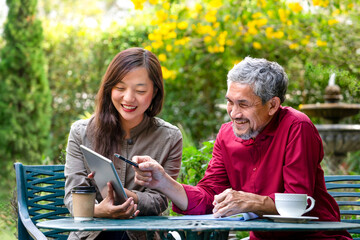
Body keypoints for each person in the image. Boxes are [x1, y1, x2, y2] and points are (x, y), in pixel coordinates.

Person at [133, 57, 352, 239]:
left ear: (273, 105)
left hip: (317, 237)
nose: (233, 113)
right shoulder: (226, 134)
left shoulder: (297, 127)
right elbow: (210, 196)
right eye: (230, 102)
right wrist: (164, 182)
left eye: (243, 104)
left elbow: (296, 200)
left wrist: (250, 201)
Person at [64, 47, 182, 240]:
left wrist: (127, 196)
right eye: (120, 88)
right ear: (110, 88)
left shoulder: (169, 137)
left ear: (155, 92)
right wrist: (99, 210)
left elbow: (160, 200)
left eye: (140, 90)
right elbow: (72, 195)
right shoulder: (81, 132)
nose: (128, 98)